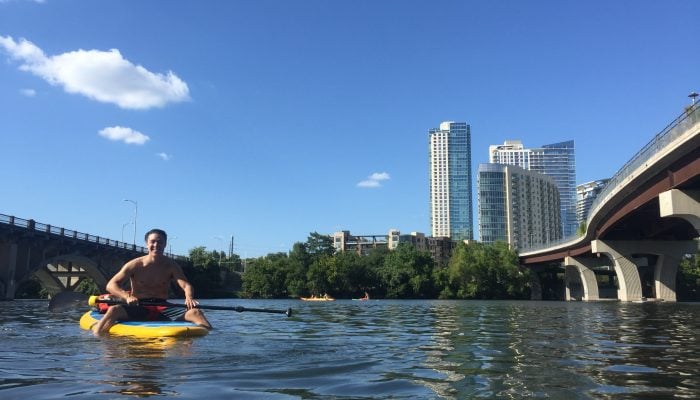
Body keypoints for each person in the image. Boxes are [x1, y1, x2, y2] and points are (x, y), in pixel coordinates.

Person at [92, 228, 212, 335]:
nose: (156, 245)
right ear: (147, 244)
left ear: (165, 244)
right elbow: (111, 285)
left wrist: (189, 297)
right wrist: (126, 297)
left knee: (196, 312)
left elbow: (186, 285)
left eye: (160, 242)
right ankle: (97, 336)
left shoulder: (171, 266)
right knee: (114, 310)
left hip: (162, 307)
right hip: (139, 306)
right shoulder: (135, 264)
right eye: (152, 242)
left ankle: (212, 339)